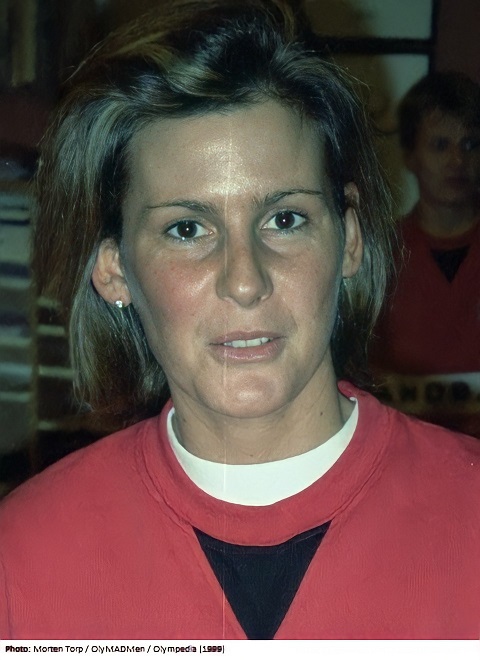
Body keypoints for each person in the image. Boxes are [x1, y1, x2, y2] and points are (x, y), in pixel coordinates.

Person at [0, 0, 479, 640]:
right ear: (113, 268)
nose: (246, 281)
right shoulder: (25, 558)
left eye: (285, 219)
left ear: (350, 238)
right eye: (187, 229)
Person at [371, 72, 480, 436]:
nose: (457, 160)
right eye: (440, 145)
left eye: (470, 144)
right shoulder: (378, 255)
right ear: (410, 156)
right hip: (406, 450)